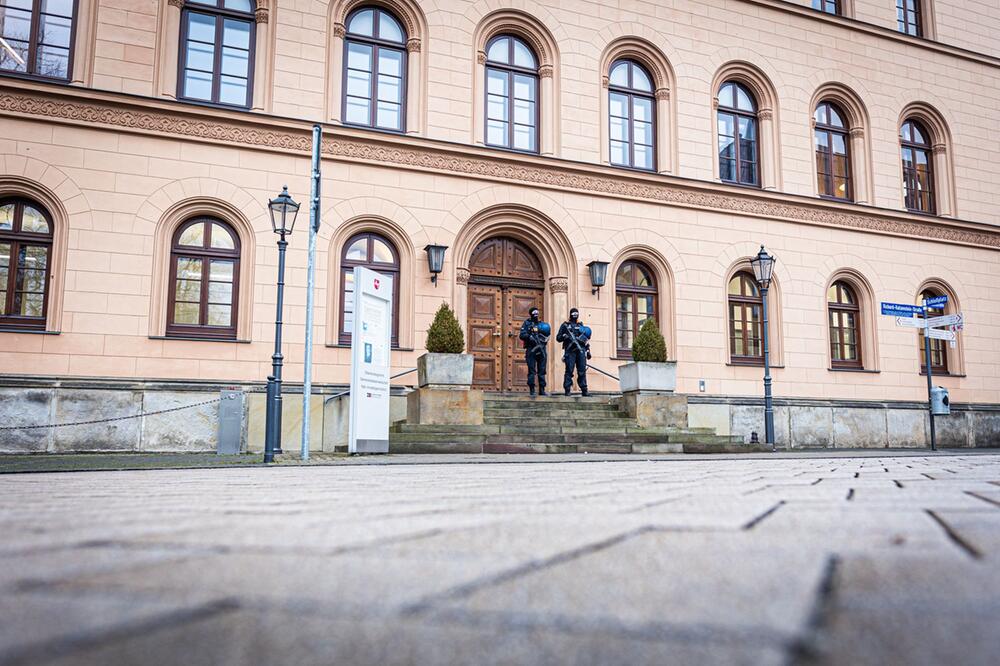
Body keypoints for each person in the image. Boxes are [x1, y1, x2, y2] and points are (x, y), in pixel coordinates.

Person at [556, 307, 590, 396]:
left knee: (582, 370)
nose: (575, 315)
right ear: (570, 314)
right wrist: (565, 336)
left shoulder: (581, 325)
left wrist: (588, 351)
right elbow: (558, 338)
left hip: (580, 350)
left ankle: (584, 390)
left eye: (576, 313)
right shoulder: (565, 325)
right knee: (569, 370)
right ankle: (567, 390)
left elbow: (586, 339)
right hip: (570, 351)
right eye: (573, 313)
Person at [518, 307, 549, 396]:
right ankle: (532, 389)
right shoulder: (527, 323)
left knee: (542, 370)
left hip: (541, 348)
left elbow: (547, 335)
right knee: (532, 370)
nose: (536, 315)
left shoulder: (541, 324)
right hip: (531, 349)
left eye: (537, 313)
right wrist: (529, 337)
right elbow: (522, 335)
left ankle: (542, 389)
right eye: (534, 313)